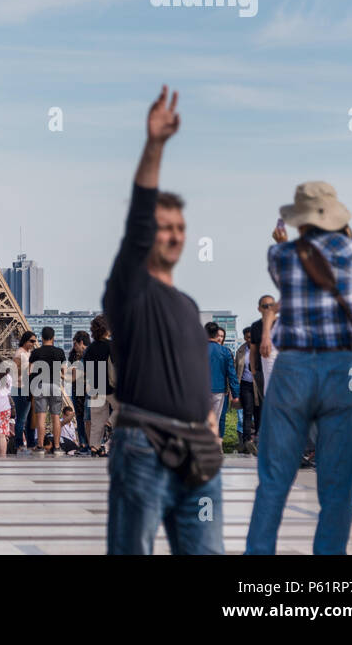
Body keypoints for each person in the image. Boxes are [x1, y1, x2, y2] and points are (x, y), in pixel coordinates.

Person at [103, 87, 222, 555]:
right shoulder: (129, 288)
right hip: (145, 446)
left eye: (178, 227)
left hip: (200, 452)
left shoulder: (188, 304)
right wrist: (154, 146)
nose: (172, 234)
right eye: (162, 226)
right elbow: (136, 220)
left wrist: (209, 421)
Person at [245, 182, 352, 556]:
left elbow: (282, 282)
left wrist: (281, 239)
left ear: (299, 220)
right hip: (341, 366)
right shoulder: (351, 249)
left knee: (274, 477)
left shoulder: (281, 253)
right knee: (336, 483)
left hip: (294, 365)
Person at [29, 327, 67, 456]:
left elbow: (30, 371)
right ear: (53, 337)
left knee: (41, 417)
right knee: (56, 417)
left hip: (40, 385)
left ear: (42, 338)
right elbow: (63, 372)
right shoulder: (60, 352)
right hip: (55, 385)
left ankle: (40, 446)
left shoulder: (36, 352)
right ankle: (57, 447)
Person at [83, 316, 116, 456]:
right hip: (110, 386)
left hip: (95, 387)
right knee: (123, 408)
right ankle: (110, 422)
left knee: (96, 420)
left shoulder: (89, 349)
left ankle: (94, 447)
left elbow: (87, 369)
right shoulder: (112, 346)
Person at [206, 323, 239, 441]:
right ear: (216, 334)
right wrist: (235, 394)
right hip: (218, 391)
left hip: (199, 391)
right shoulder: (225, 351)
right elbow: (232, 374)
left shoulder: (196, 348)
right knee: (215, 420)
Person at [10, 331, 36, 450]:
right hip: (20, 388)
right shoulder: (19, 352)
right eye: (31, 341)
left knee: (31, 418)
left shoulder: (29, 353)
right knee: (21, 418)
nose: (33, 343)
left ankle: (31, 443)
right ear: (25, 340)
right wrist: (28, 370)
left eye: (35, 341)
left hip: (28, 388)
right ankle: (19, 443)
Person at [235, 326, 259, 455]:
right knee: (247, 412)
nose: (251, 339)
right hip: (245, 385)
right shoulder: (241, 350)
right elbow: (235, 369)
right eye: (248, 337)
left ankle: (258, 442)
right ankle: (246, 441)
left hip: (259, 386)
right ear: (245, 337)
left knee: (259, 413)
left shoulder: (261, 349)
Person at [67, 330, 90, 454]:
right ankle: (83, 444)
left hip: (87, 388)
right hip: (77, 388)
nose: (74, 347)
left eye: (75, 344)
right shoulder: (73, 355)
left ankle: (90, 443)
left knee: (88, 418)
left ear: (81, 342)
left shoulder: (90, 353)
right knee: (80, 418)